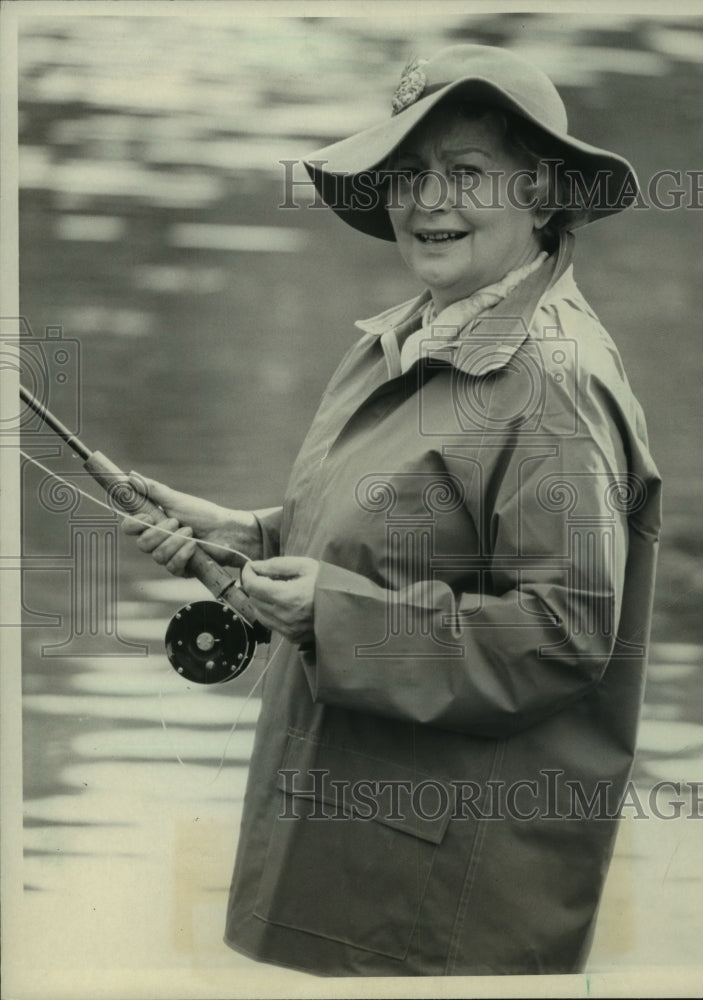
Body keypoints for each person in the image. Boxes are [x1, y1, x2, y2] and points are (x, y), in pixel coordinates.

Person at [123, 44, 662, 977]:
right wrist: (253, 537)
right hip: (359, 840)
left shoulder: (554, 383)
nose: (426, 199)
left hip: (445, 890)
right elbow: (413, 533)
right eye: (408, 174)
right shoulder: (402, 337)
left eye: (465, 174)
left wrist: (331, 613)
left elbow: (566, 632)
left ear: (542, 194)